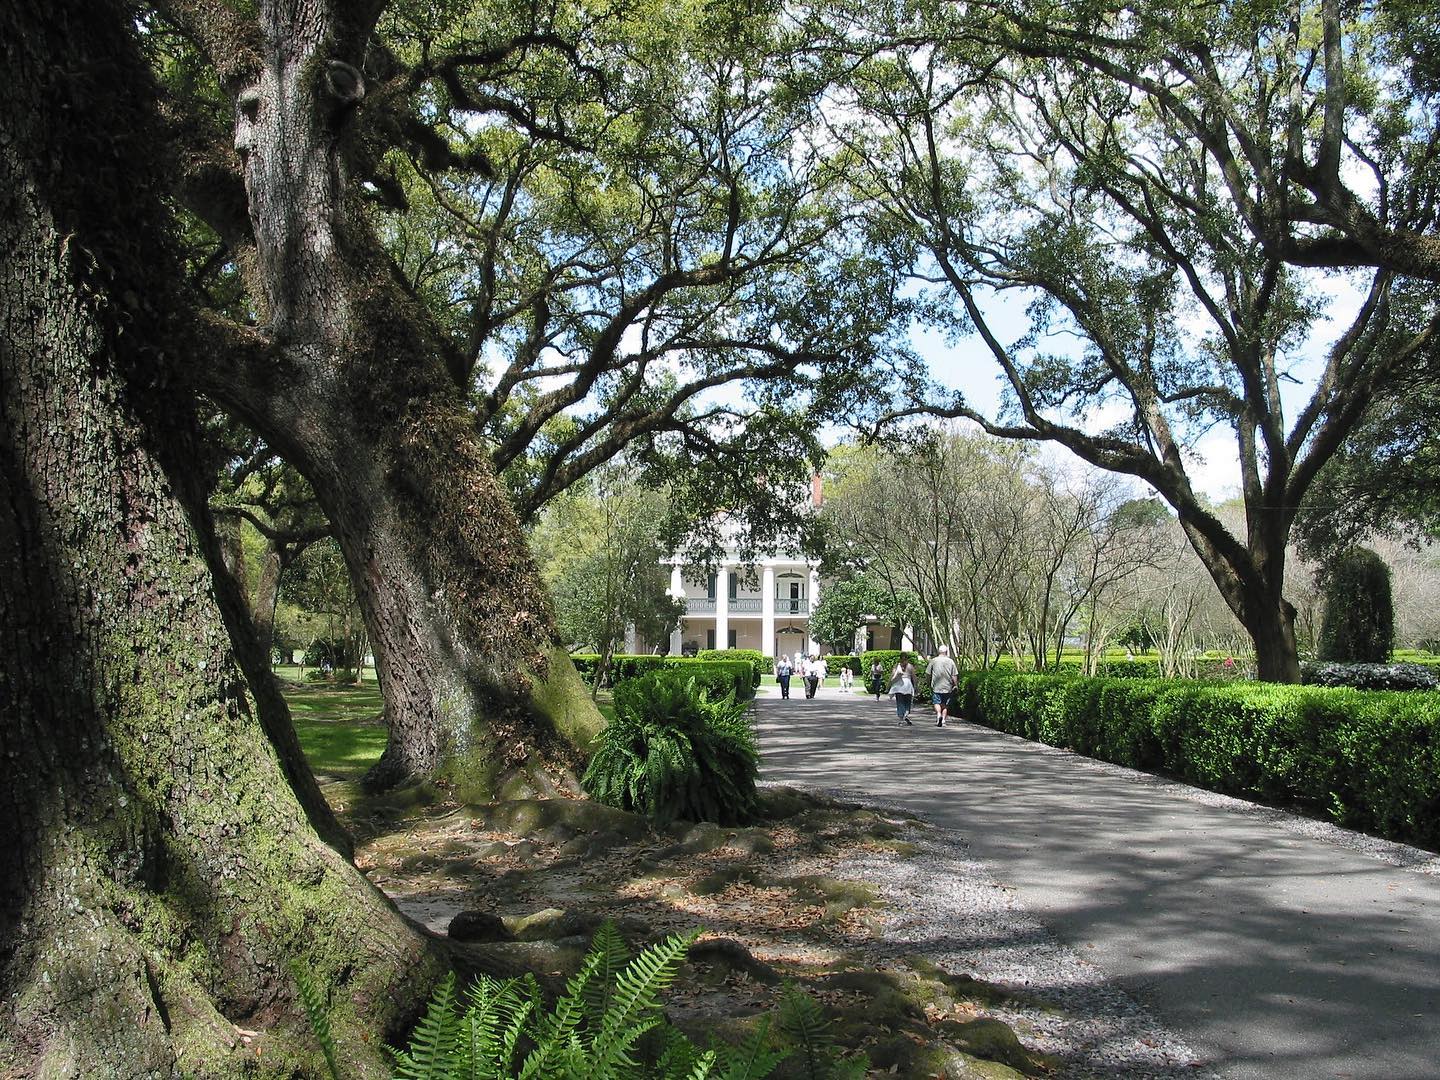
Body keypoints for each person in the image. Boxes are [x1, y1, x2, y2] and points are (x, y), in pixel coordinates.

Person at [928, 644, 959, 726]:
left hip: (936, 686)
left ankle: (938, 715)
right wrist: (955, 685)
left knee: (936, 702)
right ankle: (944, 720)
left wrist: (928, 682)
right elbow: (954, 675)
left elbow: (928, 673)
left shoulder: (933, 661)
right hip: (947, 686)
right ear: (946, 652)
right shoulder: (951, 661)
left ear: (939, 651)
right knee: (945, 705)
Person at [889, 652, 917, 725]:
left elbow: (892, 676)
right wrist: (916, 686)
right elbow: (914, 677)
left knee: (900, 702)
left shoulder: (897, 666)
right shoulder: (910, 666)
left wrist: (889, 684)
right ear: (907, 658)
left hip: (899, 685)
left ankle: (901, 718)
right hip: (908, 685)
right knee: (908, 702)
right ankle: (906, 714)